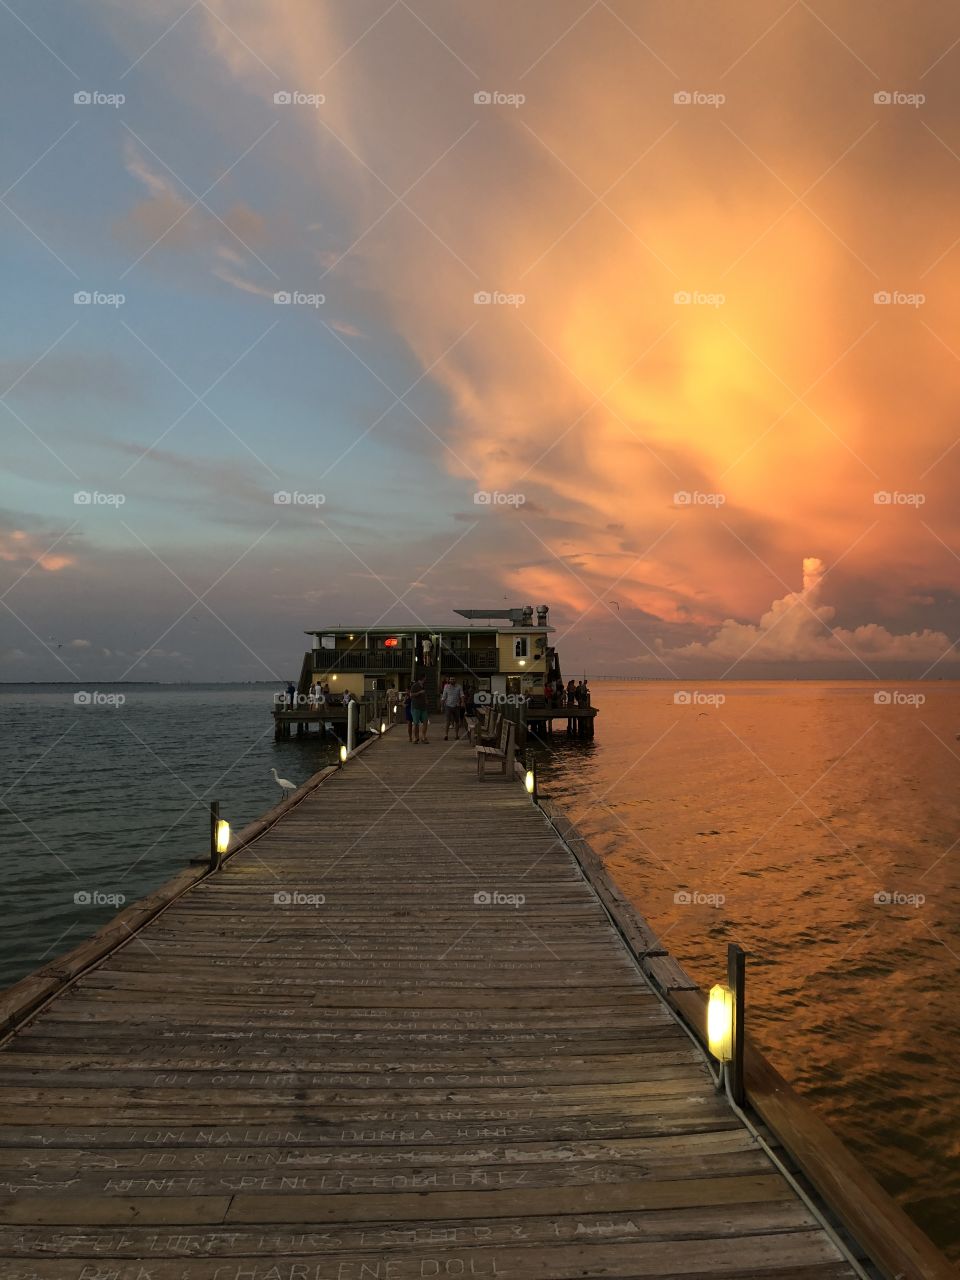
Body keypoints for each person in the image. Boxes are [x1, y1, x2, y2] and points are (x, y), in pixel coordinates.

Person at [409, 677, 429, 743]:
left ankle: (423, 737)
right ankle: (416, 738)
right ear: (421, 679)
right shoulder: (415, 685)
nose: (425, 680)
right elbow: (411, 695)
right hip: (416, 707)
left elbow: (425, 694)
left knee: (425, 722)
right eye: (424, 679)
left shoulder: (424, 686)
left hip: (423, 707)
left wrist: (426, 700)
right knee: (416, 723)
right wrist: (419, 692)